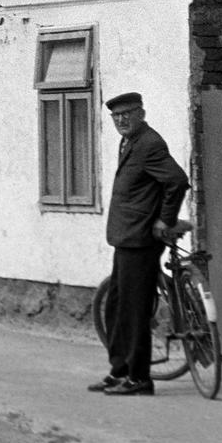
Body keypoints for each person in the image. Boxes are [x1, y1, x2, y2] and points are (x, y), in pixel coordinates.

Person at [88, 92, 189, 397]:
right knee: (117, 304)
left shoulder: (149, 144)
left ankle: (139, 378)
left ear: (141, 114)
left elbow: (177, 180)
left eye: (128, 114)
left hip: (142, 238)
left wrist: (164, 220)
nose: (121, 120)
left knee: (135, 309)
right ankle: (119, 370)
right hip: (125, 237)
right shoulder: (130, 142)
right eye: (116, 116)